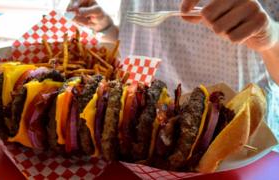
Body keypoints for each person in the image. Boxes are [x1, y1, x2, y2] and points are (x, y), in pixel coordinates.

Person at [67, 0, 279, 146]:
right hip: (137, 133)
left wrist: (271, 36)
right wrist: (107, 28)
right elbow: (144, 39)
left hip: (239, 148)